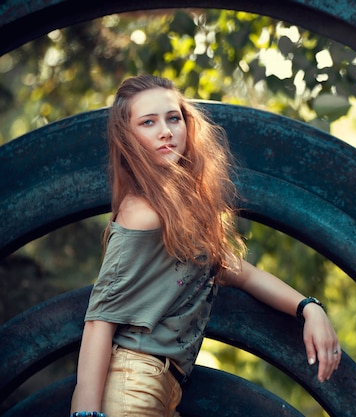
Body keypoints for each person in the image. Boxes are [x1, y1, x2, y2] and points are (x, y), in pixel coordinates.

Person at [70, 75, 341, 417]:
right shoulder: (142, 212)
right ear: (129, 138)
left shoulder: (179, 212)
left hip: (159, 388)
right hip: (131, 385)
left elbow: (241, 274)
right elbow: (99, 320)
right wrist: (88, 415)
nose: (165, 131)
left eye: (173, 118)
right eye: (148, 122)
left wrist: (309, 308)